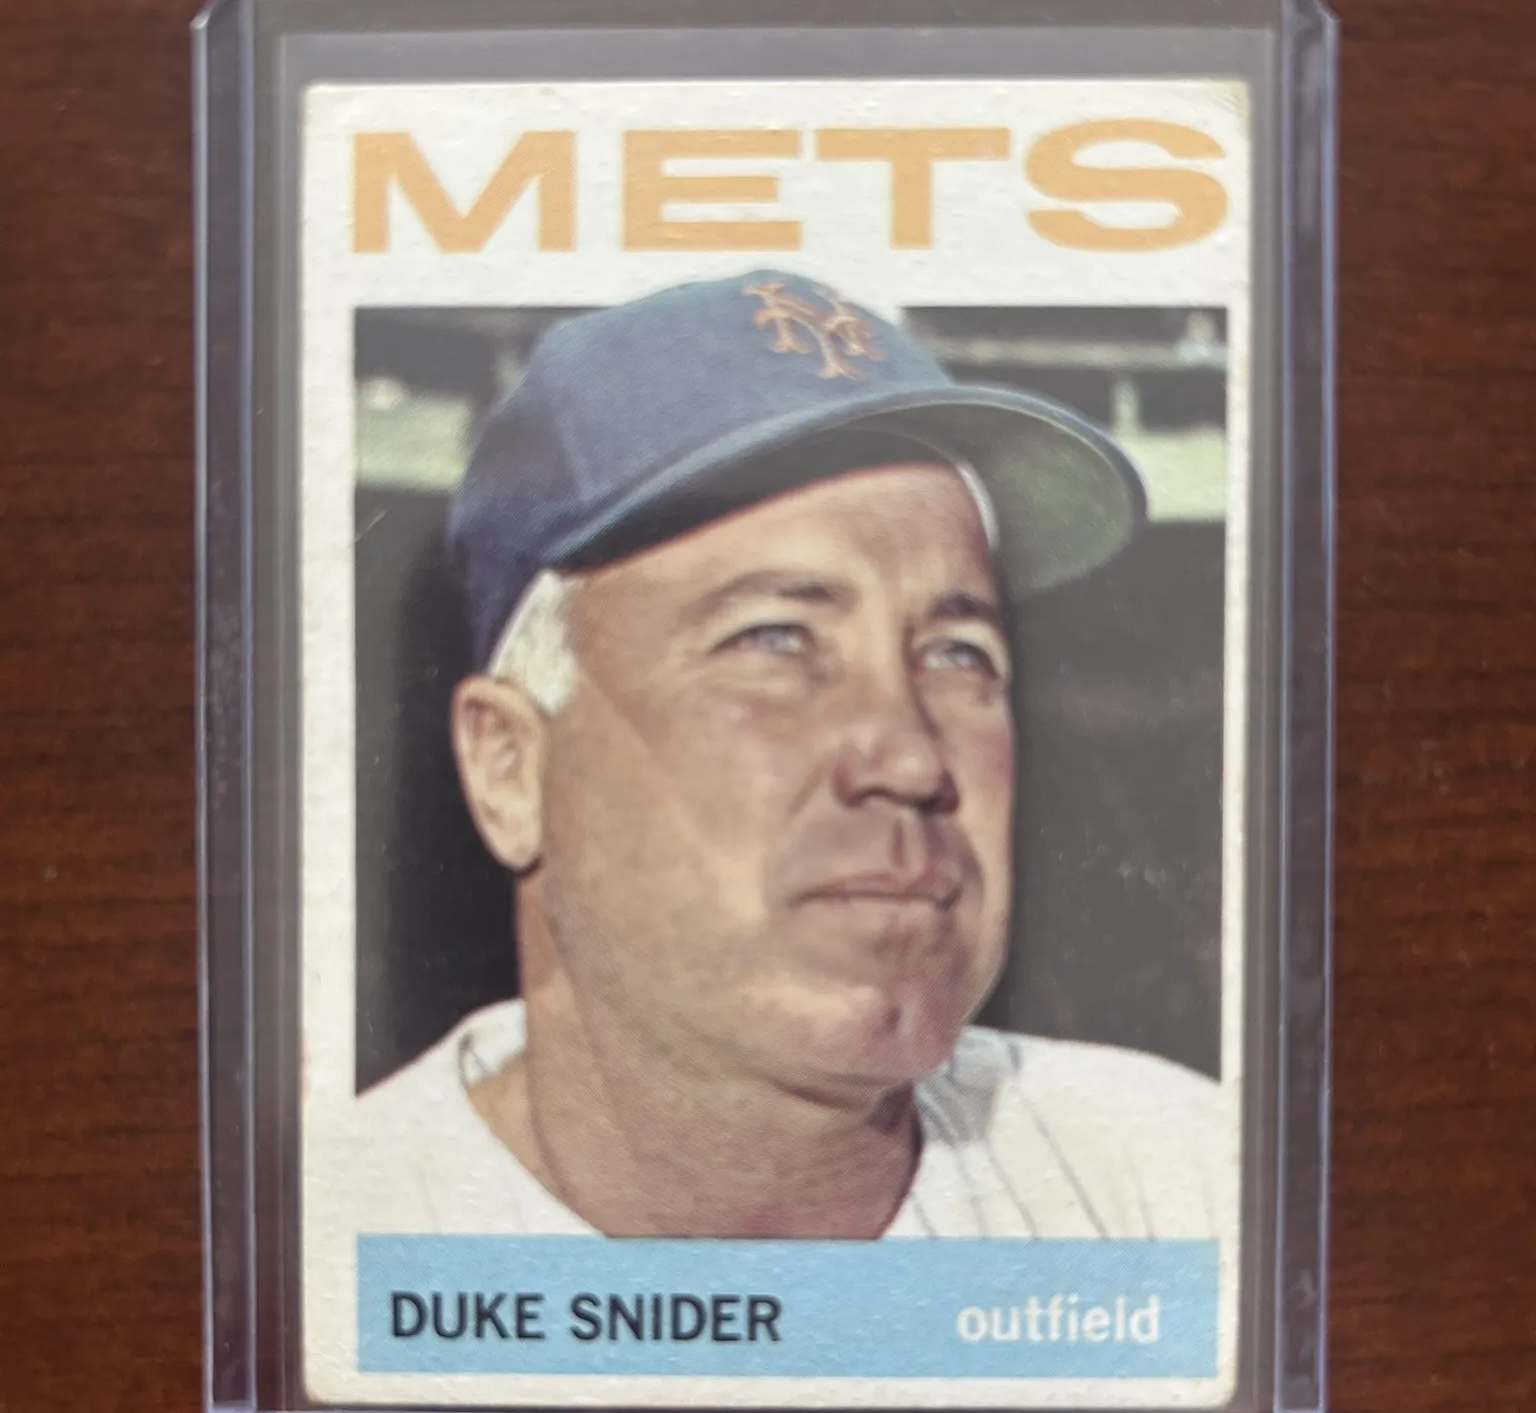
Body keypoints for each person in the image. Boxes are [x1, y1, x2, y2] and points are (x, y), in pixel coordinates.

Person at [327, 271, 1235, 1243]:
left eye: (958, 653)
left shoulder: (1174, 1176)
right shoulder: (324, 1242)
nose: (910, 759)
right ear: (510, 767)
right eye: (773, 639)